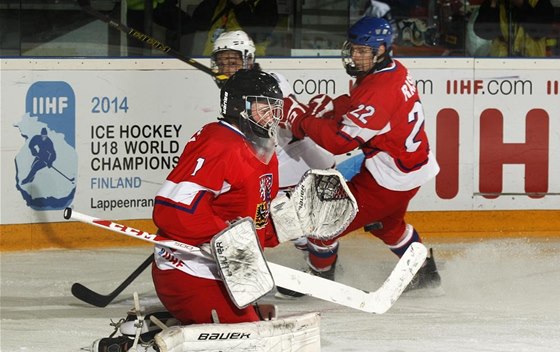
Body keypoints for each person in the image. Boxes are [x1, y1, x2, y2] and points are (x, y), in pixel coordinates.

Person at [277, 16, 441, 295]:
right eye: (353, 48)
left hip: (387, 179)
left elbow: (339, 142)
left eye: (363, 51)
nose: (355, 56)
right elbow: (362, 107)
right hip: (409, 170)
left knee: (322, 223)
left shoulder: (379, 91)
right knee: (389, 227)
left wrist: (300, 119)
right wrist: (334, 107)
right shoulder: (392, 70)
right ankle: (425, 272)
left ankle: (320, 277)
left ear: (382, 50)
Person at [150, 69, 284, 325]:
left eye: (274, 108)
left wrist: (287, 224)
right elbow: (172, 208)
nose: (271, 116)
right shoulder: (220, 143)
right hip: (189, 271)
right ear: (238, 106)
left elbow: (254, 213)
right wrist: (223, 234)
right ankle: (152, 337)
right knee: (247, 341)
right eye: (262, 107)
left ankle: (163, 324)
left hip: (231, 272)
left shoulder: (261, 148)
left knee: (258, 330)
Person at [210, 30, 335, 252]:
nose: (226, 68)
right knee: (290, 227)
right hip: (277, 162)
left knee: (289, 224)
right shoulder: (235, 88)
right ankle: (318, 260)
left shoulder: (273, 80)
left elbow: (281, 117)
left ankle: (323, 264)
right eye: (222, 63)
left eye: (233, 62)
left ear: (248, 59)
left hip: (295, 159)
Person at [193, 0, 279, 56]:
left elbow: (259, 35)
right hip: (211, 62)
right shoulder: (219, 3)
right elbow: (197, 24)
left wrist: (240, 5)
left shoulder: (265, 3)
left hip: (248, 65)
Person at [473, 0, 554, 57]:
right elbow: (483, 32)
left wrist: (521, 4)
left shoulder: (540, 2)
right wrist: (493, 4)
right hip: (501, 63)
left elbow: (540, 32)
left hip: (532, 63)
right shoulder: (497, 3)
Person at [126, 0, 196, 55]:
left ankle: (173, 51)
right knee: (188, 25)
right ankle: (175, 54)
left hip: (134, 10)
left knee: (137, 43)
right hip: (151, 7)